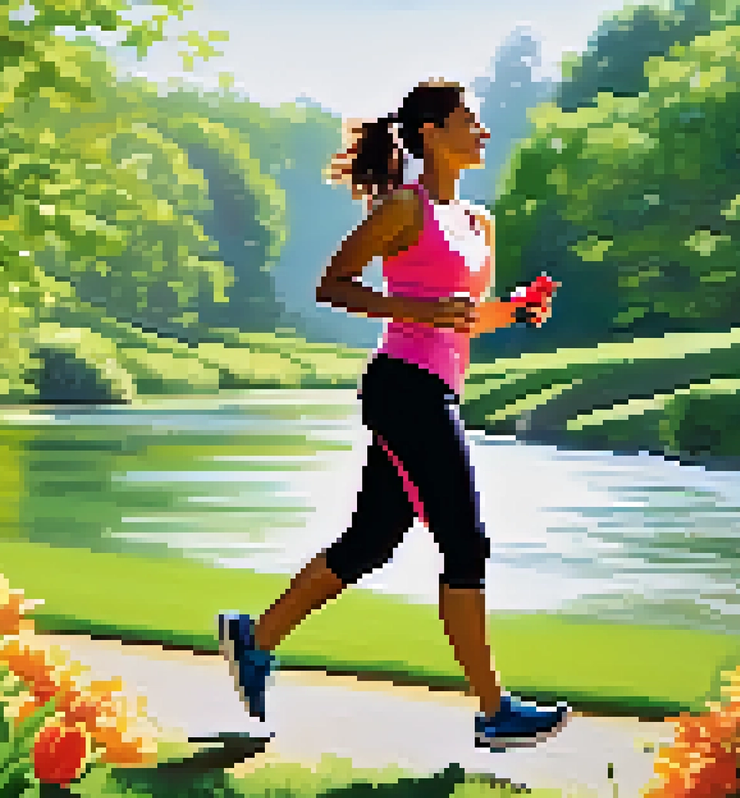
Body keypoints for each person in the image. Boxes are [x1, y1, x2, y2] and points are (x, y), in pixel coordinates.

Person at [217, 79, 572, 752]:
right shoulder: (403, 210)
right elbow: (334, 285)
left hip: (437, 386)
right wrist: (413, 310)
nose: (483, 132)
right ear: (433, 133)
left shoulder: (478, 223)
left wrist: (519, 309)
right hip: (402, 386)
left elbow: (466, 319)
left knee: (370, 542)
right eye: (471, 121)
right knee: (465, 544)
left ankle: (254, 637)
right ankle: (495, 710)